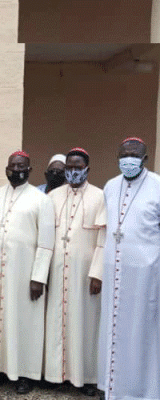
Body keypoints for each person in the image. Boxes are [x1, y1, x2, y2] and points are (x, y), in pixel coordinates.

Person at [0, 150, 55, 394]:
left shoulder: (41, 199)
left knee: (25, 323)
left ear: (30, 170)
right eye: (13, 166)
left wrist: (38, 277)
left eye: (21, 166)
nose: (16, 170)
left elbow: (46, 243)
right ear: (6, 169)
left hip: (25, 275)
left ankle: (25, 374)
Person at [98, 137, 160, 400]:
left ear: (145, 158)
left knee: (142, 333)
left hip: (146, 275)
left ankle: (143, 392)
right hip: (114, 273)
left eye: (134, 155)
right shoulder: (110, 186)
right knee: (111, 328)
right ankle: (112, 388)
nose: (128, 159)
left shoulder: (158, 186)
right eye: (123, 154)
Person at [45, 148, 105, 396]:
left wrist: (98, 273)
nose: (72, 171)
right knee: (55, 322)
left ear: (87, 170)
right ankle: (54, 375)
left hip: (85, 275)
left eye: (77, 167)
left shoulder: (100, 196)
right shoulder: (52, 196)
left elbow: (103, 239)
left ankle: (85, 377)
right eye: (69, 167)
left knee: (85, 325)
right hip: (57, 272)